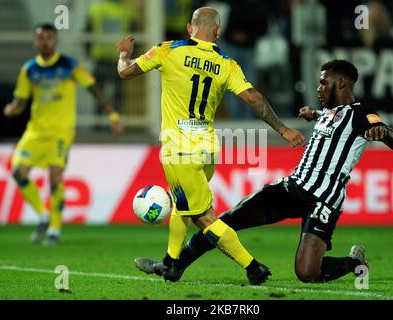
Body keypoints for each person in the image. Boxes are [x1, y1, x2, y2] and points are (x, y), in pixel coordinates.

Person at [136, 59, 393, 283]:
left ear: (342, 83)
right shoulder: (328, 113)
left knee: (307, 273)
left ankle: (355, 262)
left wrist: (384, 133)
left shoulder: (361, 114)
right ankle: (174, 265)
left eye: (324, 82)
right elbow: (328, 121)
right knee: (227, 220)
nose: (319, 87)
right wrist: (313, 114)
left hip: (323, 199)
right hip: (292, 187)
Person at [117, 7, 305, 285]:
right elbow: (253, 98)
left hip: (178, 148)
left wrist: (123, 54)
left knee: (204, 217)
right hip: (207, 149)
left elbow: (125, 73)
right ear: (218, 32)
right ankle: (170, 264)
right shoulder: (227, 63)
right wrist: (283, 128)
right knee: (183, 206)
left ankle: (253, 267)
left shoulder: (168, 50)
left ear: (189, 29)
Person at [4, 23, 123, 245]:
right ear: (34, 41)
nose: (45, 42)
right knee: (18, 172)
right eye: (40, 38)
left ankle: (54, 230)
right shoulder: (29, 69)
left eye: (49, 37)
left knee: (55, 176)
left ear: (55, 40)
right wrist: (12, 108)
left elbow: (94, 88)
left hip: (61, 131)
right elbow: (20, 101)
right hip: (35, 131)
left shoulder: (70, 65)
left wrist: (112, 115)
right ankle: (43, 215)